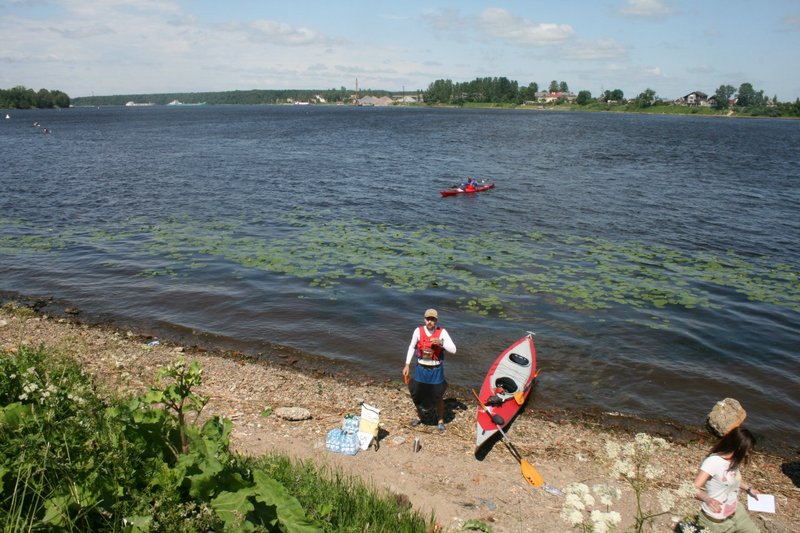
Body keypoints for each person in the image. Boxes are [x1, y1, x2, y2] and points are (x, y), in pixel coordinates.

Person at [693, 426, 760, 533]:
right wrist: (707, 499)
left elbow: (734, 479)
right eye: (747, 450)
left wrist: (749, 489)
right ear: (738, 448)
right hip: (716, 522)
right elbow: (692, 488)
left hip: (737, 513)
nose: (747, 454)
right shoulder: (713, 462)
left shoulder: (733, 461)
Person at [403, 308, 456, 432]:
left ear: (436, 320)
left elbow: (453, 350)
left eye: (432, 319)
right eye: (428, 319)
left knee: (438, 396)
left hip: (436, 369)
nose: (430, 321)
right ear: (424, 319)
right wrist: (407, 364)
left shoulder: (442, 332)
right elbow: (411, 347)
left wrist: (441, 343)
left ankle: (440, 420)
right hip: (421, 369)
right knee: (417, 394)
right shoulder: (418, 331)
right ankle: (419, 417)